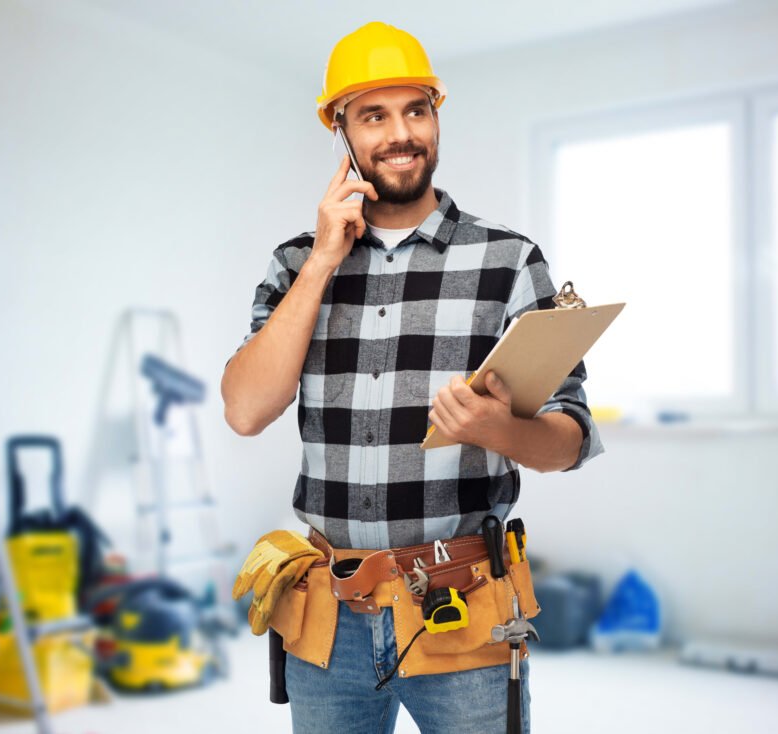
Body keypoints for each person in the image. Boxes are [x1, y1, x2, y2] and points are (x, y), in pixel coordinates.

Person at [221, 21, 603, 734]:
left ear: (435, 115)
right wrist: (322, 264)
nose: (402, 133)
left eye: (416, 110)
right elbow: (245, 409)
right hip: (328, 619)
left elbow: (570, 442)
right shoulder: (296, 263)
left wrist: (497, 427)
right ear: (341, 132)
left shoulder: (509, 261)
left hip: (463, 613)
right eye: (374, 115)